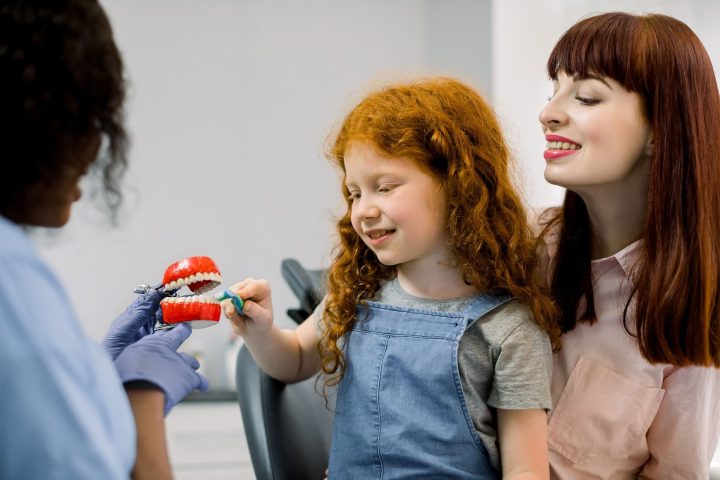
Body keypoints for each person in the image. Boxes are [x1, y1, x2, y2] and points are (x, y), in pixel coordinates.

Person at [225, 77, 560, 479]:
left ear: (458, 185)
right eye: (354, 193)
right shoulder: (357, 294)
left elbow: (526, 472)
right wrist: (260, 331)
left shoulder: (509, 331)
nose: (363, 210)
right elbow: (294, 359)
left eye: (383, 187)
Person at [0, 1, 208, 478]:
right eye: (90, 118)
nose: (97, 146)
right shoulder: (10, 277)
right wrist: (140, 393)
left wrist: (91, 371)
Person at [537, 11, 720, 479]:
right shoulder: (522, 248)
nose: (548, 113)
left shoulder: (691, 306)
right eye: (552, 90)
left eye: (586, 96)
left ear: (660, 129)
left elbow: (677, 472)